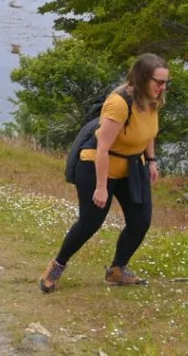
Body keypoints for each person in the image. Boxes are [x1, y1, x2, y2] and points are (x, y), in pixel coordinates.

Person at [40, 53, 169, 292]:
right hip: (98, 164)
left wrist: (151, 161)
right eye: (158, 81)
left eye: (165, 82)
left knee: (140, 222)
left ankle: (117, 271)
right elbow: (102, 147)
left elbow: (149, 132)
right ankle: (56, 267)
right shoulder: (120, 103)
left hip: (131, 166)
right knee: (90, 222)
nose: (162, 87)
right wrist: (101, 187)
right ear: (142, 79)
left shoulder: (152, 100)